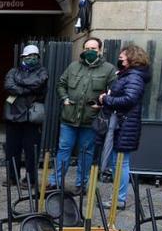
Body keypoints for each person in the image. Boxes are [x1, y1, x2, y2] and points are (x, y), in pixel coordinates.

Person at [47, 37, 117, 193]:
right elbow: (61, 84)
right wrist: (64, 98)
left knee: (86, 153)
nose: (89, 51)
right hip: (69, 117)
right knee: (64, 149)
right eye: (87, 48)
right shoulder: (73, 66)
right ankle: (55, 182)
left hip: (91, 119)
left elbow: (115, 91)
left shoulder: (109, 69)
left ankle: (81, 185)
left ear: (100, 50)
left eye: (93, 49)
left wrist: (102, 104)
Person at [98, 45, 150, 210]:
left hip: (125, 125)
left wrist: (106, 99)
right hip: (123, 123)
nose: (119, 60)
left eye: (122, 58)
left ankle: (119, 200)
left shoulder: (134, 77)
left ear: (131, 59)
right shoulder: (128, 75)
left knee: (121, 162)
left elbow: (129, 99)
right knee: (118, 162)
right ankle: (117, 197)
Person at [2, 45, 48, 187]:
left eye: (34, 56)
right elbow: (9, 85)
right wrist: (27, 90)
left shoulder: (42, 72)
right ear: (22, 57)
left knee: (31, 150)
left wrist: (20, 87)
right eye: (28, 56)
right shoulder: (13, 71)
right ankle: (12, 177)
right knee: (11, 149)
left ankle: (30, 179)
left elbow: (38, 85)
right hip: (14, 115)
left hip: (31, 117)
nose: (31, 58)